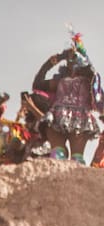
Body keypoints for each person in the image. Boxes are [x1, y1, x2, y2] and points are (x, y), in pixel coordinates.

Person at [32, 29, 104, 163]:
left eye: (75, 57)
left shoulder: (89, 80)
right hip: (57, 116)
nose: (72, 59)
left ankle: (77, 183)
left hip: (80, 119)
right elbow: (37, 84)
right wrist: (54, 60)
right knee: (58, 154)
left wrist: (82, 55)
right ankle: (57, 182)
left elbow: (94, 79)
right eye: (70, 57)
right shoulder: (60, 80)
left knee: (77, 158)